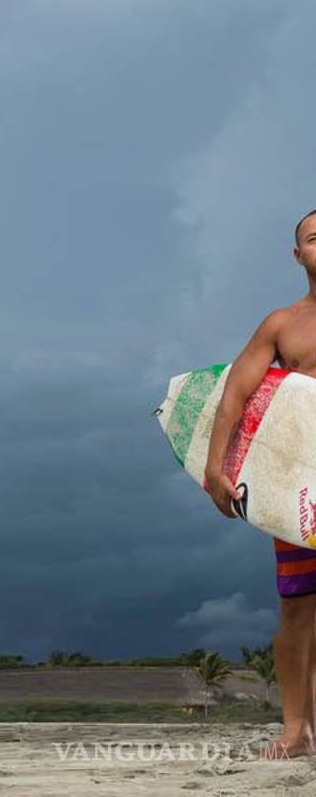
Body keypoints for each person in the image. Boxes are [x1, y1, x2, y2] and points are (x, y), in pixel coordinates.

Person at [205, 208, 316, 760]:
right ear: (298, 256)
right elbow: (236, 392)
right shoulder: (282, 324)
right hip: (301, 482)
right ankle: (296, 729)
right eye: (315, 239)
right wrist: (214, 466)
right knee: (298, 606)